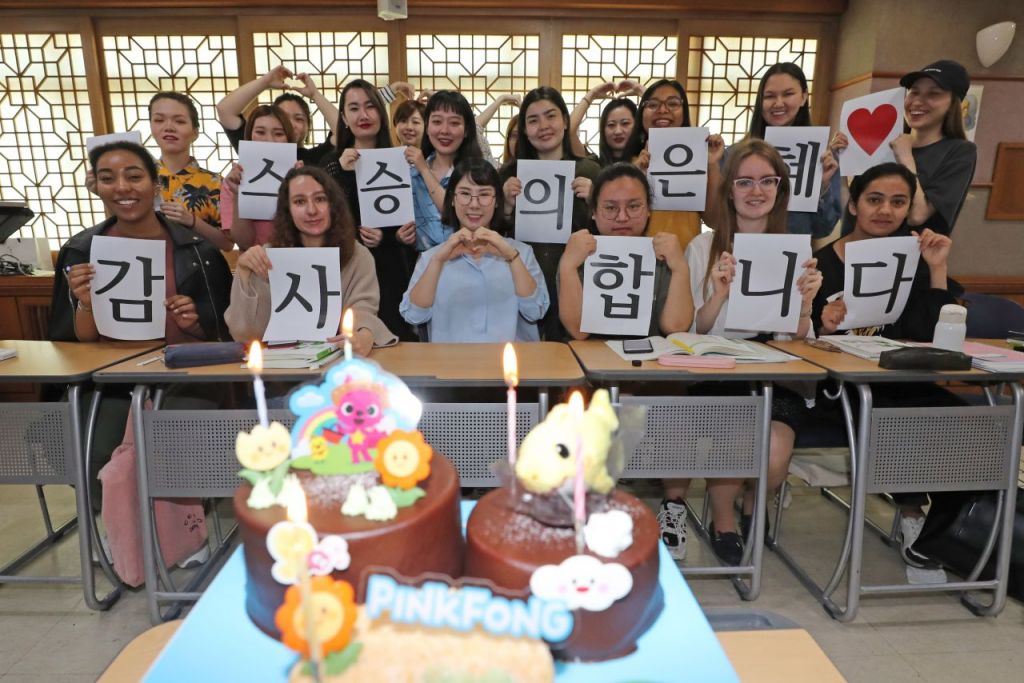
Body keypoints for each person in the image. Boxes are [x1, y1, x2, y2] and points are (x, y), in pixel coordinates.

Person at [50, 141, 232, 569]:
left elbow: (224, 329)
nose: (122, 187)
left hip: (182, 373)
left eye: (134, 176)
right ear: (96, 186)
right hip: (111, 376)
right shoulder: (81, 251)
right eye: (108, 178)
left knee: (178, 437)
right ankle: (119, 523)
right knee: (91, 442)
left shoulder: (197, 250)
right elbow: (75, 343)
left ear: (154, 183)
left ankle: (185, 527)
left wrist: (194, 322)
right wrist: (85, 303)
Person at [678, 138, 821, 565]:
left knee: (774, 455)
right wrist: (719, 295)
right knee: (737, 438)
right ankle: (723, 520)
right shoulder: (702, 247)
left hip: (775, 372)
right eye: (744, 182)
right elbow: (692, 331)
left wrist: (805, 306)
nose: (756, 191)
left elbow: (802, 341)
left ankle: (754, 503)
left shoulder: (797, 249)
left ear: (780, 189)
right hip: (719, 369)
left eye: (766, 181)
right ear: (729, 190)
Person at [811, 162, 958, 576]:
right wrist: (822, 325)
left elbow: (930, 335)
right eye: (874, 200)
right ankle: (912, 512)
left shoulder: (915, 259)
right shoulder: (820, 263)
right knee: (898, 416)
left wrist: (937, 268)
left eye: (898, 202)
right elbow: (798, 338)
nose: (885, 211)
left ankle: (952, 531)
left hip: (902, 379)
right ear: (854, 205)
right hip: (840, 389)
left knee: (969, 422)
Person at [224, 166, 395, 353]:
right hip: (279, 363)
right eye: (300, 202)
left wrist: (364, 335)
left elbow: (363, 310)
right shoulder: (267, 256)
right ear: (288, 210)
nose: (312, 210)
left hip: (339, 358)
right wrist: (244, 273)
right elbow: (244, 333)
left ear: (333, 205)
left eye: (320, 199)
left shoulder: (357, 254)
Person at [400, 159, 547, 342]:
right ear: (452, 199)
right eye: (465, 194)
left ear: (496, 201)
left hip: (509, 358)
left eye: (484, 194)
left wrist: (512, 257)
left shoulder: (521, 253)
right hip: (449, 359)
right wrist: (437, 261)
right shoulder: (432, 257)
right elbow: (413, 316)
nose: (474, 204)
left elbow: (536, 311)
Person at [500, 86, 600, 340]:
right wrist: (507, 206)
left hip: (577, 283)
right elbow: (495, 234)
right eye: (533, 120)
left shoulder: (590, 171)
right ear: (524, 129)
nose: (543, 126)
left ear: (565, 121)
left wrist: (597, 203)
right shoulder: (509, 174)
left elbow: (612, 232)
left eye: (551, 116)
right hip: (522, 283)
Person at [321, 79, 418, 342]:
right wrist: (342, 174)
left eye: (370, 106)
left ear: (381, 112)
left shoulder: (401, 157)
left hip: (393, 268)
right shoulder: (331, 164)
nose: (363, 115)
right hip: (349, 270)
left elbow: (411, 215)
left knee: (396, 341)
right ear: (343, 117)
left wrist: (398, 236)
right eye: (354, 108)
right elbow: (323, 222)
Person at [705, 63, 844, 238]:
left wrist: (822, 186)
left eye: (788, 94)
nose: (778, 103)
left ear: (803, 97)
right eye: (770, 96)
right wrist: (713, 166)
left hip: (792, 252)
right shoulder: (733, 155)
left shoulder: (822, 158)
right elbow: (715, 220)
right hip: (737, 250)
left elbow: (824, 229)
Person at [558, 162, 693, 339]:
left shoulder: (664, 255)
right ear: (593, 212)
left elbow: (675, 327)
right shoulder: (577, 254)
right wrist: (568, 266)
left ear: (649, 210)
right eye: (610, 208)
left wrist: (680, 268)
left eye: (634, 206)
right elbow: (578, 331)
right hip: (590, 355)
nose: (622, 217)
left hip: (651, 356)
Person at [889, 59, 977, 236]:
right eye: (914, 92)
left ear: (953, 103)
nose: (917, 101)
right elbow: (855, 206)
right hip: (860, 248)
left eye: (933, 94)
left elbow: (917, 216)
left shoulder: (960, 152)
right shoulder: (889, 143)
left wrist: (906, 159)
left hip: (908, 251)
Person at [140, 92, 233, 251]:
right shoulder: (139, 179)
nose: (168, 127)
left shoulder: (215, 183)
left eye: (179, 121)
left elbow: (227, 244)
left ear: (195, 132)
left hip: (201, 265)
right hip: (147, 262)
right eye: (159, 120)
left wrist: (192, 221)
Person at [631, 79, 703, 250]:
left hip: (685, 255)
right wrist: (636, 175)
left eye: (672, 104)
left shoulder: (700, 157)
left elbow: (714, 219)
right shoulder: (629, 162)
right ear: (641, 113)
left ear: (684, 111)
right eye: (653, 105)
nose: (663, 110)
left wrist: (712, 165)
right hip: (638, 256)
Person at [216, 64, 339, 165]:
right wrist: (265, 82)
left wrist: (315, 95)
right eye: (283, 117)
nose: (290, 124)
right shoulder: (254, 150)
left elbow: (342, 130)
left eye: (299, 119)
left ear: (308, 127)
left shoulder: (316, 158)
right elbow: (225, 110)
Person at [408, 90, 484, 252]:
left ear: (467, 130)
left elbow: (454, 212)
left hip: (466, 260)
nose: (444, 130)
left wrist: (424, 170)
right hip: (422, 262)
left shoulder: (478, 174)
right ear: (427, 127)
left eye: (454, 123)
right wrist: (401, 235)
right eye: (437, 121)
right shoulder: (411, 174)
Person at [219, 105, 296, 250]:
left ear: (289, 138)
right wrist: (238, 195)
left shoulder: (303, 177)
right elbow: (243, 243)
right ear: (249, 136)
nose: (269, 140)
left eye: (278, 134)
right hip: (255, 261)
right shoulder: (234, 180)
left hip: (296, 259)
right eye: (260, 132)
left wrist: (299, 186)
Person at [567, 80, 642, 166]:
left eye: (625, 123)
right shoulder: (594, 166)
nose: (618, 131)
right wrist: (592, 95)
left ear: (636, 125)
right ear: (603, 129)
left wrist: (641, 90)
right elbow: (569, 132)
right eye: (611, 125)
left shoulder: (648, 160)